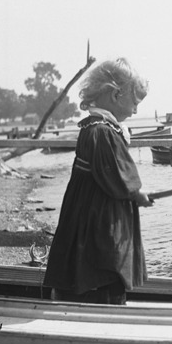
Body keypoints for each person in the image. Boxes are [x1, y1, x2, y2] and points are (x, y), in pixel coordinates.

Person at [43, 57, 154, 304]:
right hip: (100, 215)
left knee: (86, 259)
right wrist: (136, 193)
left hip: (85, 209)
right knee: (106, 259)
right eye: (135, 103)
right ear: (115, 95)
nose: (135, 111)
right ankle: (104, 306)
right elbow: (117, 175)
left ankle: (81, 296)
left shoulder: (92, 127)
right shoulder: (102, 132)